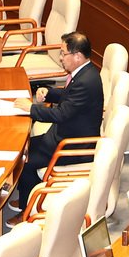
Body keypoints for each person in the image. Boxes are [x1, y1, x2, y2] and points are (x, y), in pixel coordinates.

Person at [11, 31, 103, 214]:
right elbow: (69, 97)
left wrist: (30, 109)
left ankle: (27, 211)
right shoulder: (85, 72)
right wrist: (49, 92)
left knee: (25, 161)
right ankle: (27, 197)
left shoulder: (86, 81)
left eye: (63, 53)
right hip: (63, 134)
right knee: (23, 148)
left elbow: (61, 114)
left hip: (74, 146)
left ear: (77, 56)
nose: (61, 58)